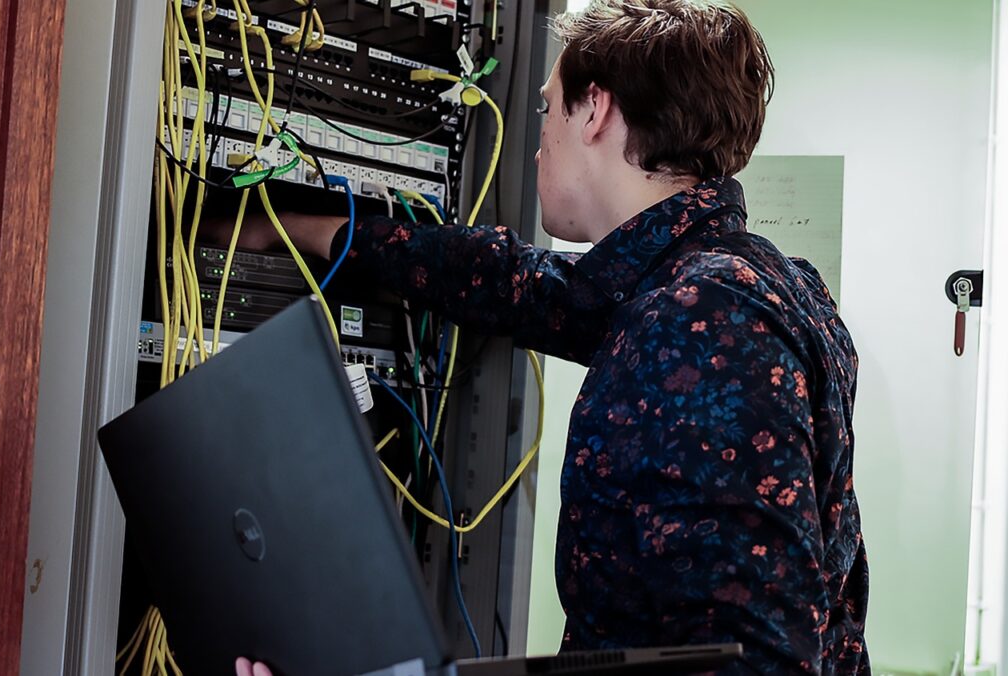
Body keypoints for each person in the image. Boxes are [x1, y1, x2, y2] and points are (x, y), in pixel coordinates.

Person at [231, 0, 868, 672]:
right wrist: (297, 229)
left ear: (595, 110)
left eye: (547, 108)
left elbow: (749, 662)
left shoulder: (706, 321)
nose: (538, 143)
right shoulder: (729, 281)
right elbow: (517, 282)